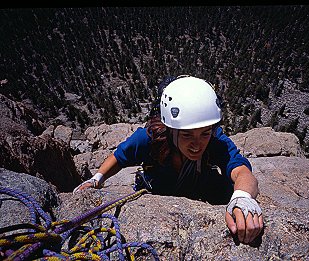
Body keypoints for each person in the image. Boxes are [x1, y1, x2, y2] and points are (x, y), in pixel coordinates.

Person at [73, 75, 264, 244]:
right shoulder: (150, 138)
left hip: (197, 188)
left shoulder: (215, 139)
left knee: (226, 188)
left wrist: (243, 198)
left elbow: (242, 172)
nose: (197, 145)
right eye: (187, 135)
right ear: (171, 130)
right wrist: (96, 179)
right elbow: (119, 157)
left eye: (204, 134)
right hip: (157, 189)